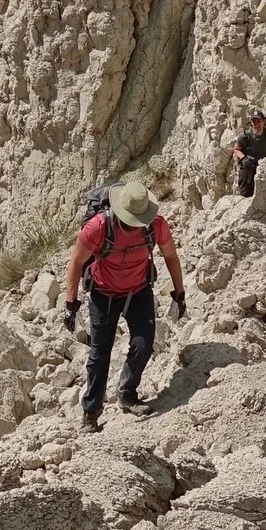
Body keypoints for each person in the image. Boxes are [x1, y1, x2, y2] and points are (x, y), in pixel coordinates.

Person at [62, 177, 186, 430]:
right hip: (103, 294)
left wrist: (180, 292)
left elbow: (171, 257)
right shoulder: (98, 227)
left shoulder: (156, 226)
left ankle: (127, 393)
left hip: (139, 290)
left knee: (143, 344)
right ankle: (91, 412)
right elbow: (75, 263)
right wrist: (70, 303)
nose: (135, 226)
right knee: (99, 353)